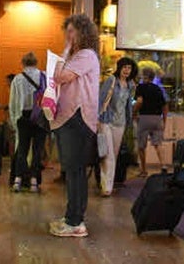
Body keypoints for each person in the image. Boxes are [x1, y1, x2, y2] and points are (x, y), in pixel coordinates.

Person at [49, 14, 100, 238]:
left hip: (77, 118)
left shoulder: (86, 55)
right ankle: (72, 216)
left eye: (72, 31)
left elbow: (59, 77)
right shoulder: (80, 55)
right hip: (70, 118)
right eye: (66, 32)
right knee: (72, 170)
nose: (68, 36)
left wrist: (64, 50)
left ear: (82, 32)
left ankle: (75, 221)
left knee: (75, 171)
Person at [98, 57, 138, 197]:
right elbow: (100, 99)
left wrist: (129, 121)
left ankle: (107, 183)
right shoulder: (111, 81)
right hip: (106, 121)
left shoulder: (130, 85)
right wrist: (97, 118)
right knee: (107, 154)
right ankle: (106, 188)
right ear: (119, 67)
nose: (127, 70)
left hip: (120, 123)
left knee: (113, 155)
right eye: (125, 67)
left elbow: (128, 105)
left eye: (129, 68)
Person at [9, 52, 47, 193]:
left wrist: (13, 120)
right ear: (36, 62)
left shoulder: (18, 79)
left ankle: (18, 180)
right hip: (40, 117)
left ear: (23, 63)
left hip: (23, 116)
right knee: (37, 150)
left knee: (22, 149)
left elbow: (13, 101)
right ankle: (34, 181)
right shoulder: (43, 76)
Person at [133, 67, 169, 177]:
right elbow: (165, 105)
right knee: (158, 144)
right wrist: (164, 120)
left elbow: (139, 101)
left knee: (141, 146)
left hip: (144, 118)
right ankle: (163, 165)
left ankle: (143, 170)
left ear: (143, 76)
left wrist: (134, 112)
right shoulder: (158, 89)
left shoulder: (140, 87)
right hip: (157, 119)